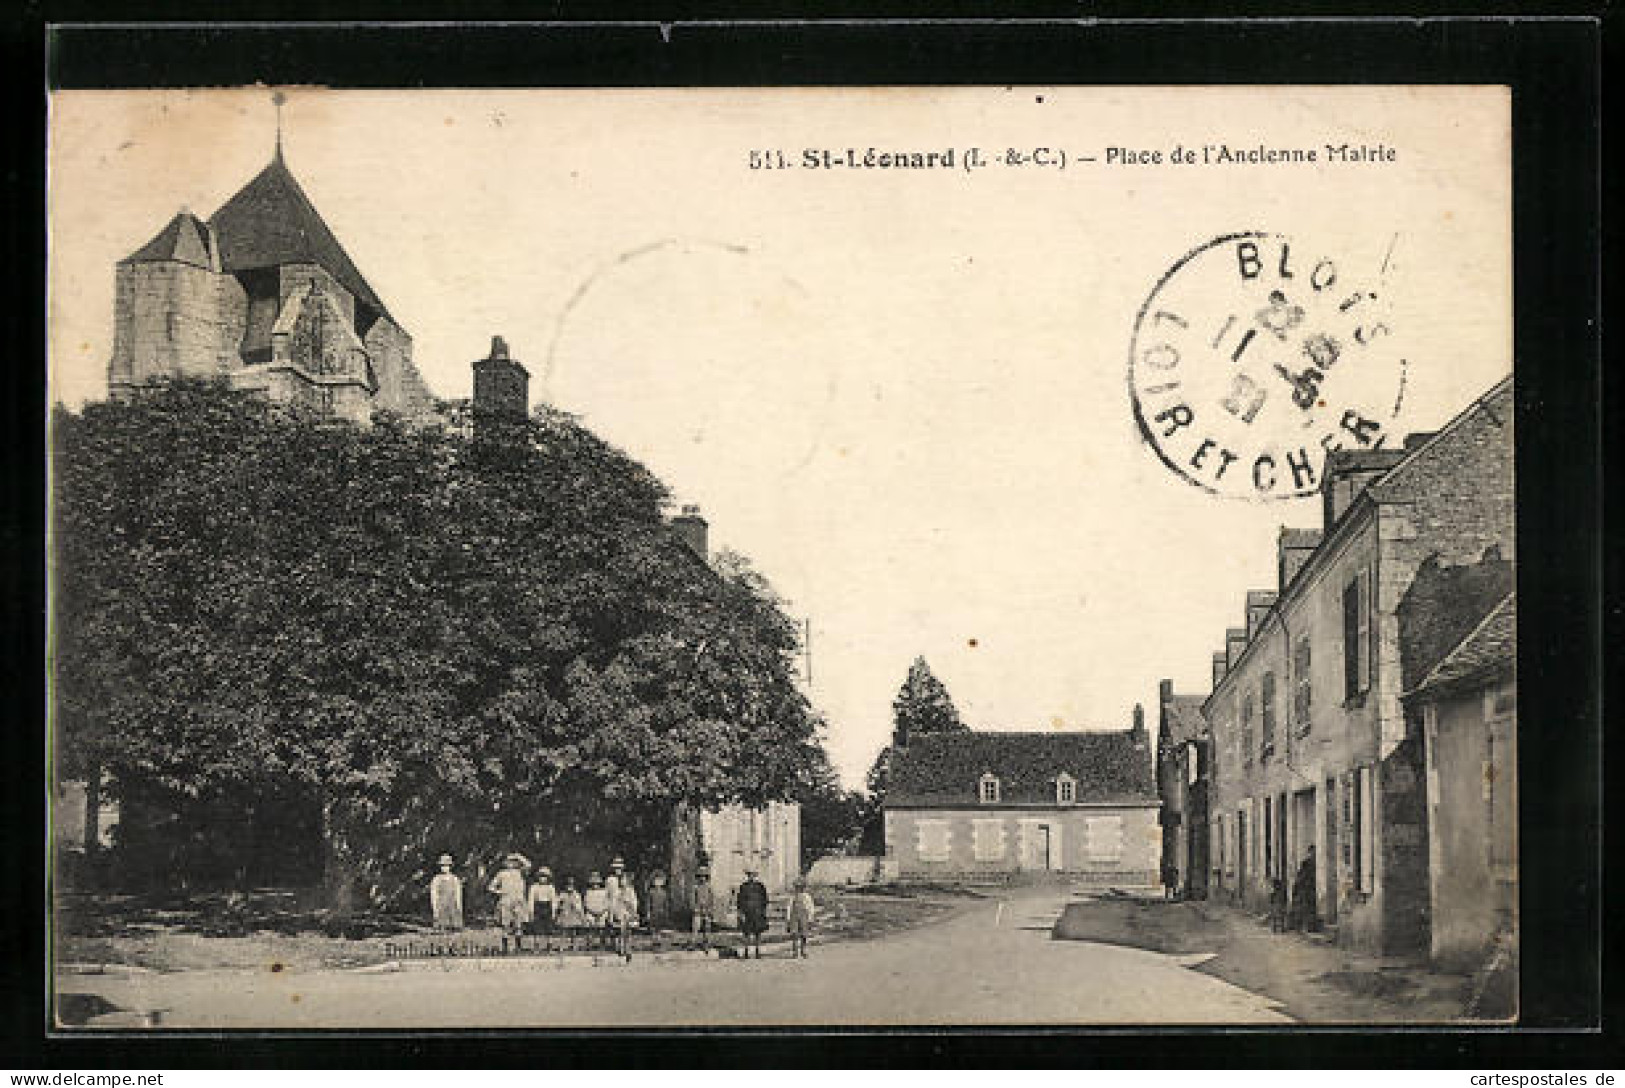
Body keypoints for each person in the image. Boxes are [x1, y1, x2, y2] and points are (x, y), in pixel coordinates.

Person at [488, 852, 530, 953]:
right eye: (509, 861)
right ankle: (505, 947)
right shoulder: (501, 874)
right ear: (505, 863)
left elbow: (528, 865)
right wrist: (500, 892)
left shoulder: (520, 872)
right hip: (506, 901)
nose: (511, 864)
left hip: (518, 900)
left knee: (518, 924)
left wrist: (519, 856)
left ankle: (518, 946)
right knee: (505, 924)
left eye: (513, 862)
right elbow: (491, 887)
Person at [735, 867, 770, 960]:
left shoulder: (760, 886)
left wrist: (763, 910)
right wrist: (740, 912)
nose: (751, 877)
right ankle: (746, 951)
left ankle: (757, 952)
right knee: (746, 933)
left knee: (758, 933)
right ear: (747, 876)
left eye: (753, 875)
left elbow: (765, 899)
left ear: (756, 876)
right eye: (750, 875)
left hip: (758, 912)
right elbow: (739, 900)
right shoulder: (743, 886)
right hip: (747, 912)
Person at [429, 853, 464, 932]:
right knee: (442, 926)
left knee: (455, 927)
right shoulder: (437, 879)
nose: (445, 868)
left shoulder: (455, 879)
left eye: (447, 866)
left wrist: (459, 907)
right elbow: (434, 894)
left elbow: (458, 894)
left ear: (450, 867)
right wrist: (435, 908)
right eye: (443, 866)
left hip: (452, 906)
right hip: (441, 906)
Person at [527, 865, 558, 952]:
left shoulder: (550, 887)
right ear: (538, 877)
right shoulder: (534, 887)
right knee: (537, 927)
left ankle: (550, 945)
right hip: (538, 907)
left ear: (548, 878)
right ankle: (536, 946)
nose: (543, 879)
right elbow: (531, 899)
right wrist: (531, 911)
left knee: (549, 927)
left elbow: (554, 900)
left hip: (547, 907)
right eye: (541, 876)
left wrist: (553, 911)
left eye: (545, 877)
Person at [611, 867, 639, 959]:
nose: (622, 882)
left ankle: (628, 950)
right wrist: (615, 913)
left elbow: (634, 903)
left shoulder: (631, 891)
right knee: (620, 932)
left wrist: (631, 909)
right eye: (621, 880)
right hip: (620, 913)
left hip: (628, 913)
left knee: (628, 933)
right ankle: (621, 949)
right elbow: (615, 903)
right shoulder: (618, 892)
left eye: (624, 880)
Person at [786, 877, 815, 959]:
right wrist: (788, 919)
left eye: (800, 887)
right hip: (794, 916)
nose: (799, 889)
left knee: (804, 934)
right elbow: (789, 907)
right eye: (797, 887)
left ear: (803, 887)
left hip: (804, 916)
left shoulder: (807, 897)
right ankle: (795, 951)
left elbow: (810, 907)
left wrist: (810, 918)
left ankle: (803, 950)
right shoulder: (793, 897)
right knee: (794, 934)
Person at [1290, 846, 1318, 932]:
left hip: (1309, 889)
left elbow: (1300, 877)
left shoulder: (1312, 863)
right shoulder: (1306, 863)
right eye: (1311, 852)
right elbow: (1301, 876)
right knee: (1306, 908)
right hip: (1306, 889)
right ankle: (1306, 926)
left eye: (1313, 852)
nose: (1312, 854)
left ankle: (1308, 927)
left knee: (1308, 908)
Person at [555, 876, 586, 951]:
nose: (569, 887)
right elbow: (558, 903)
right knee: (563, 931)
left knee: (574, 931)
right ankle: (562, 945)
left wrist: (581, 915)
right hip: (565, 913)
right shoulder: (562, 894)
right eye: (568, 885)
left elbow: (579, 906)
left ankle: (574, 945)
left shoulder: (576, 895)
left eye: (571, 886)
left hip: (574, 914)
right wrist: (560, 906)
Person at [689, 867, 717, 951]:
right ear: (698, 877)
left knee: (707, 928)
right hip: (698, 910)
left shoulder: (709, 888)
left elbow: (711, 900)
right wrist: (694, 908)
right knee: (696, 927)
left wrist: (710, 910)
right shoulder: (695, 887)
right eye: (700, 876)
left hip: (707, 910)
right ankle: (693, 943)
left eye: (704, 876)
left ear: (707, 877)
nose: (702, 878)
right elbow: (692, 899)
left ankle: (706, 944)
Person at [582, 871, 611, 949]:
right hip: (591, 912)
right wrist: (592, 912)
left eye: (597, 884)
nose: (595, 885)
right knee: (589, 922)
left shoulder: (604, 892)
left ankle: (602, 942)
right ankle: (590, 943)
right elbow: (586, 904)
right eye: (593, 884)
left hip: (602, 912)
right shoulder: (588, 892)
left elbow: (606, 904)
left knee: (602, 924)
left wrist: (601, 912)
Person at [644, 871, 672, 950]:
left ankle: (659, 943)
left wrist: (666, 912)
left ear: (663, 882)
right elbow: (648, 904)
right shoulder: (651, 892)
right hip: (653, 912)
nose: (658, 883)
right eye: (656, 881)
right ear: (653, 882)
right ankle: (654, 943)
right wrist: (648, 912)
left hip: (661, 913)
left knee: (660, 929)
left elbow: (666, 904)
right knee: (653, 929)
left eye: (660, 881)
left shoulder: (664, 893)